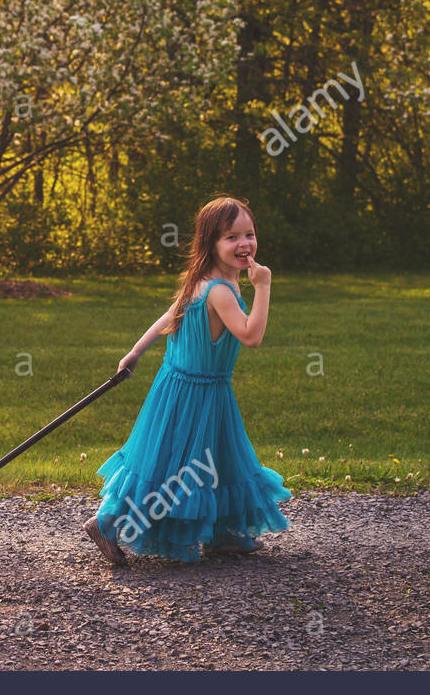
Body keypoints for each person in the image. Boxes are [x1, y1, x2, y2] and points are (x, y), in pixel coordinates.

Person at [84, 195, 291, 564]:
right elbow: (251, 336)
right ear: (211, 243)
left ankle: (223, 532)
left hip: (187, 386)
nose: (244, 244)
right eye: (231, 237)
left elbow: (169, 315)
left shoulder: (202, 281)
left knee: (221, 457)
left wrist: (135, 352)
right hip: (196, 391)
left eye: (249, 234)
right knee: (171, 467)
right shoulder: (221, 291)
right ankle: (107, 522)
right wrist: (264, 287)